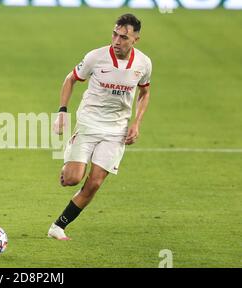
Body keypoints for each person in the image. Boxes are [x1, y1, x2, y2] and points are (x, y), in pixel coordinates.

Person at [48, 14, 152, 240]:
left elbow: (144, 93)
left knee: (93, 184)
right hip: (89, 122)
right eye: (114, 34)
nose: (117, 41)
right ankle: (70, 167)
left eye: (124, 37)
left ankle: (58, 226)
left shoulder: (143, 63)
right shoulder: (96, 57)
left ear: (136, 39)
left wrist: (137, 122)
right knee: (73, 179)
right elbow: (70, 79)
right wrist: (62, 112)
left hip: (116, 130)